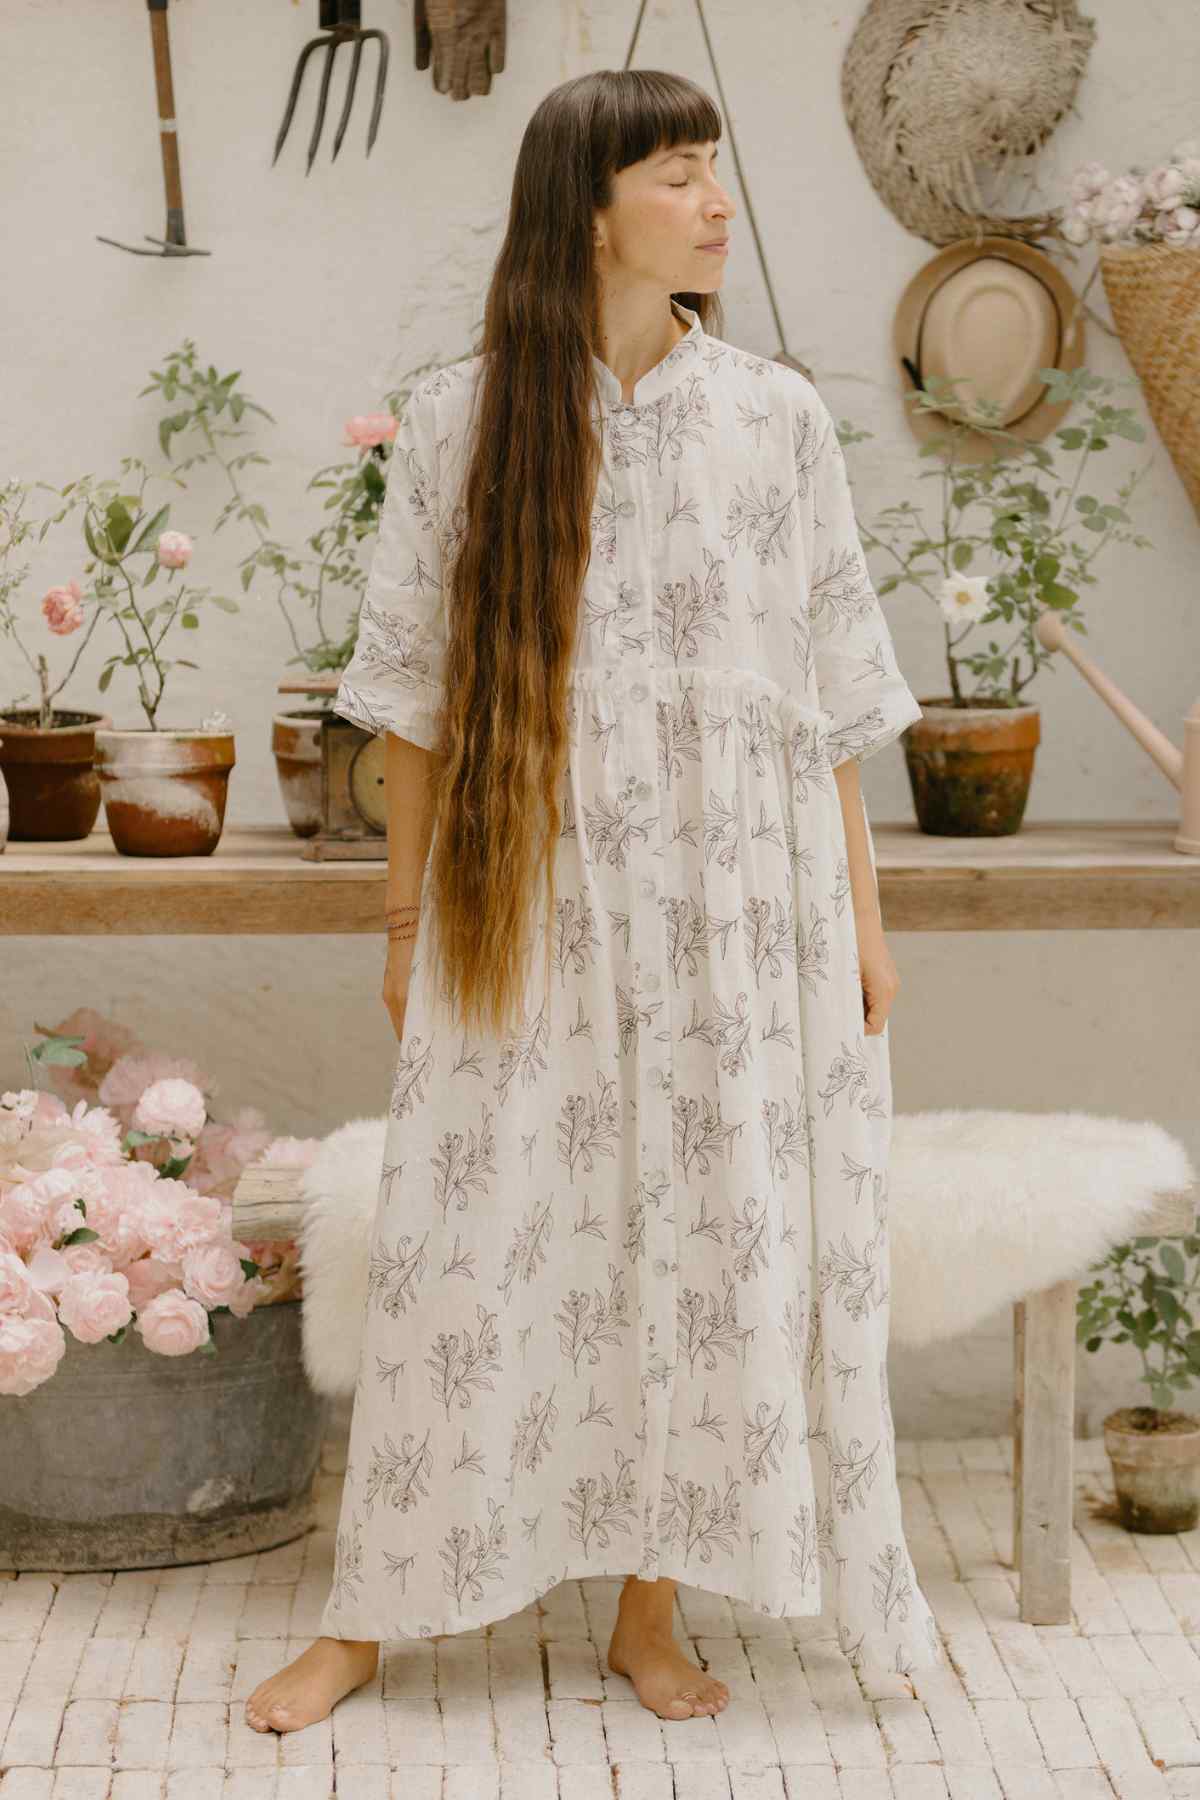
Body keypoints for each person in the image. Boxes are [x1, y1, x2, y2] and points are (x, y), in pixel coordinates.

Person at [246, 65, 942, 1738]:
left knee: (703, 1232)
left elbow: (834, 698)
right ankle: (379, 1607)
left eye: (719, 170)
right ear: (593, 202)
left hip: (741, 904)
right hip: (521, 895)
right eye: (685, 173)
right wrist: (407, 923)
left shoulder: (771, 417)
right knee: (471, 1243)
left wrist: (863, 918)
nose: (717, 203)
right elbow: (408, 701)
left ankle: (651, 1606)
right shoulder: (460, 420)